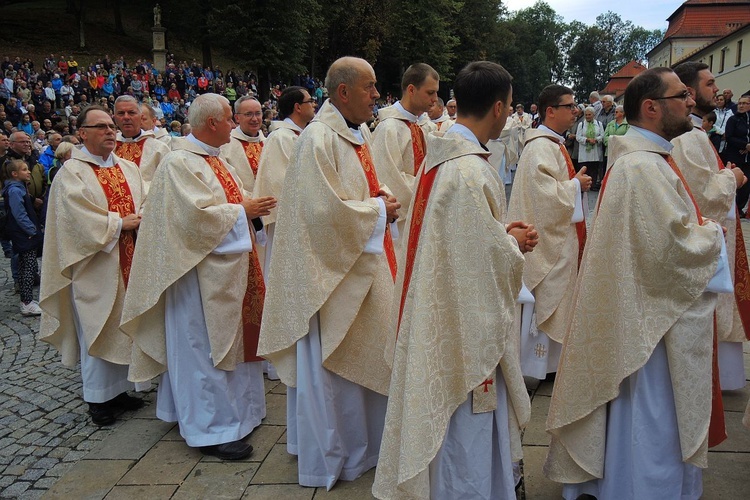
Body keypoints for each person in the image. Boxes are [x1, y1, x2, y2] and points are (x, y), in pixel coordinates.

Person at [545, 67, 727, 499]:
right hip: (649, 327)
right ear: (650, 108)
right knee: (652, 413)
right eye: (680, 95)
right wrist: (712, 233)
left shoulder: (650, 160)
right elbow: (671, 248)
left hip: (646, 310)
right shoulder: (643, 168)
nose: (690, 102)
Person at [372, 60, 536, 500]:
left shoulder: (446, 155)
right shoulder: (466, 170)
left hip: (443, 306)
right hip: (462, 329)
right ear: (500, 107)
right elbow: (474, 262)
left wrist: (501, 234)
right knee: (465, 429)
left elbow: (460, 242)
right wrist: (512, 244)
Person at [258, 56, 399, 489]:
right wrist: (378, 209)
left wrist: (381, 200)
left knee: (367, 356)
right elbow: (320, 213)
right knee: (336, 371)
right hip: (332, 278)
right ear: (343, 92)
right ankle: (338, 455)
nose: (377, 95)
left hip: (360, 265)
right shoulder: (319, 138)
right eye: (370, 87)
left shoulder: (355, 133)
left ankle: (367, 446)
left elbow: (356, 191)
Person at [121, 93, 276, 460]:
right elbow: (194, 220)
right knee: (201, 349)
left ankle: (240, 414)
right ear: (212, 123)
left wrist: (248, 212)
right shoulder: (179, 163)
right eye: (229, 118)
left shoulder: (216, 160)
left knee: (224, 345)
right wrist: (244, 211)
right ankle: (211, 430)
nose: (234, 125)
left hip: (225, 272)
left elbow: (226, 206)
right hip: (195, 277)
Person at [39, 105, 146, 426]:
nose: (110, 131)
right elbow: (74, 220)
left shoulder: (128, 168)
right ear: (81, 133)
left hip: (129, 259)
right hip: (94, 266)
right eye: (100, 127)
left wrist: (141, 218)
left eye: (111, 126)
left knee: (126, 325)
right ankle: (98, 398)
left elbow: (144, 200)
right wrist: (119, 224)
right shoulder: (72, 172)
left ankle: (122, 390)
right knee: (97, 329)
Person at [671, 62, 749, 394]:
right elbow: (700, 192)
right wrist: (732, 177)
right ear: (689, 91)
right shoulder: (688, 137)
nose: (716, 89)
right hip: (706, 235)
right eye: (709, 83)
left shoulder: (696, 132)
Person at [506, 84, 591, 381]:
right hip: (545, 240)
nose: (576, 111)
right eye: (570, 106)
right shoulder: (541, 146)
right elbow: (544, 196)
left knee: (560, 299)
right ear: (551, 111)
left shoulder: (553, 143)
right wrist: (575, 187)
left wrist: (573, 185)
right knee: (548, 298)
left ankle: (553, 363)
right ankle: (537, 367)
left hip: (558, 236)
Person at [371, 63, 439, 236]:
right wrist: (430, 191)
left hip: (422, 212)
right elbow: (388, 178)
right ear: (411, 90)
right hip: (401, 224)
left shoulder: (423, 126)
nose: (435, 99)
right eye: (430, 93)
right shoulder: (389, 128)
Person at [2, 159, 43, 315]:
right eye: (25, 169)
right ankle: (26, 302)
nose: (29, 172)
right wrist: (31, 230)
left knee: (27, 265)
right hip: (24, 234)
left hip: (24, 233)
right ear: (15, 174)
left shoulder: (19, 188)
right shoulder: (15, 191)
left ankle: (28, 299)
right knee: (28, 266)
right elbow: (19, 214)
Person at [113, 96, 171, 190]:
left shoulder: (159, 148)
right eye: (121, 113)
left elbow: (167, 184)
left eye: (131, 113)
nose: (126, 117)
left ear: (140, 117)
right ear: (115, 119)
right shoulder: (109, 147)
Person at [220, 96, 266, 198]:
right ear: (237, 118)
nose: (254, 119)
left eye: (258, 113)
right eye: (248, 114)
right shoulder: (226, 144)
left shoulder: (268, 142)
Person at [725, 94, 750, 214]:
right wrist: (744, 145)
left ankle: (740, 208)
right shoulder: (733, 119)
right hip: (735, 155)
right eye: (740, 103)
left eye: (745, 103)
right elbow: (729, 137)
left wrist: (748, 146)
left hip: (748, 157)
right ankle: (731, 208)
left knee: (746, 184)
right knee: (734, 182)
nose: (741, 106)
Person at [576, 106, 604, 190]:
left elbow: (602, 135)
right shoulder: (582, 124)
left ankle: (593, 185)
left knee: (594, 169)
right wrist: (587, 140)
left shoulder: (599, 124)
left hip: (595, 150)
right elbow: (578, 137)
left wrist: (596, 140)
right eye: (586, 115)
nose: (587, 116)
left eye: (589, 115)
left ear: (593, 115)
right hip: (585, 151)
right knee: (585, 169)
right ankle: (585, 185)